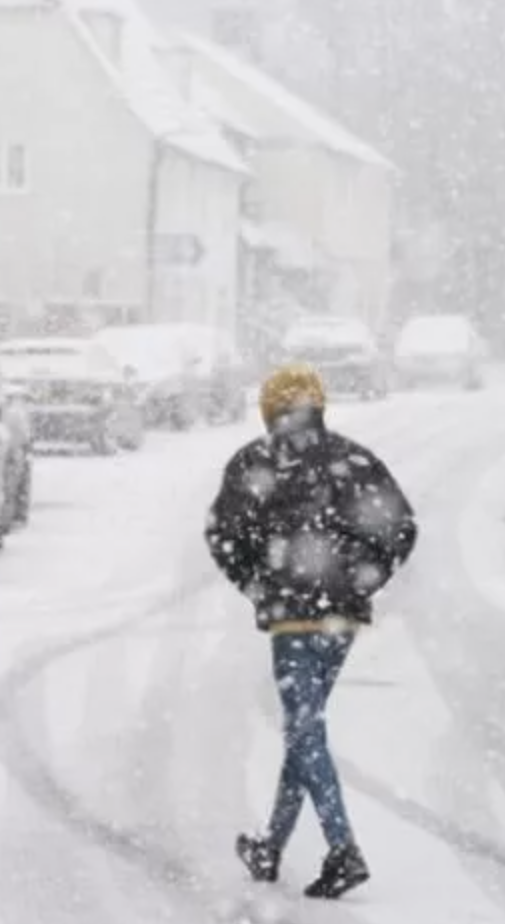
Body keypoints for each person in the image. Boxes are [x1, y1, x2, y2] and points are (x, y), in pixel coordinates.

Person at [204, 363, 418, 899]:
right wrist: (363, 580)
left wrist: (258, 583)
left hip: (294, 619)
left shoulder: (255, 463)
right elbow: (401, 526)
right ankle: (269, 846)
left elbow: (222, 535)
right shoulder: (355, 460)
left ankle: (342, 848)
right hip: (339, 618)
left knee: (304, 732)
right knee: (306, 732)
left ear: (269, 410)